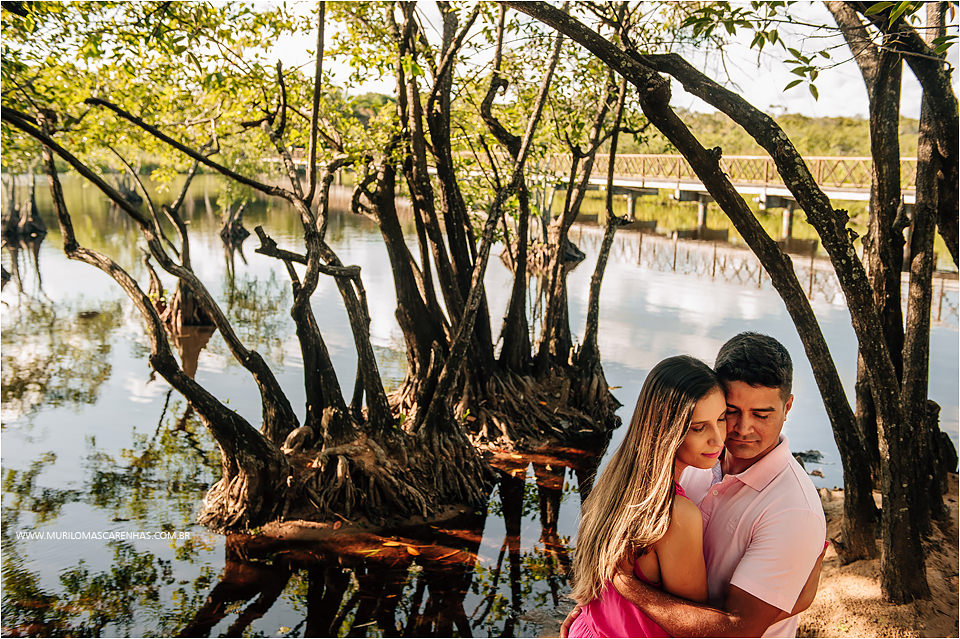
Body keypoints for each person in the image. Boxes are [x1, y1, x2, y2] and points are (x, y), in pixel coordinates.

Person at [562, 332, 826, 638]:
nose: (740, 429)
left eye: (761, 414)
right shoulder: (694, 457)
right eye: (730, 412)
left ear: (788, 406)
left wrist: (627, 589)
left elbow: (737, 631)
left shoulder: (793, 511)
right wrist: (597, 610)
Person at [566, 354, 727, 637]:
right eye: (698, 427)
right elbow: (694, 630)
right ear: (667, 430)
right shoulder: (676, 514)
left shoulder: (614, 482)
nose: (718, 438)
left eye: (722, 419)